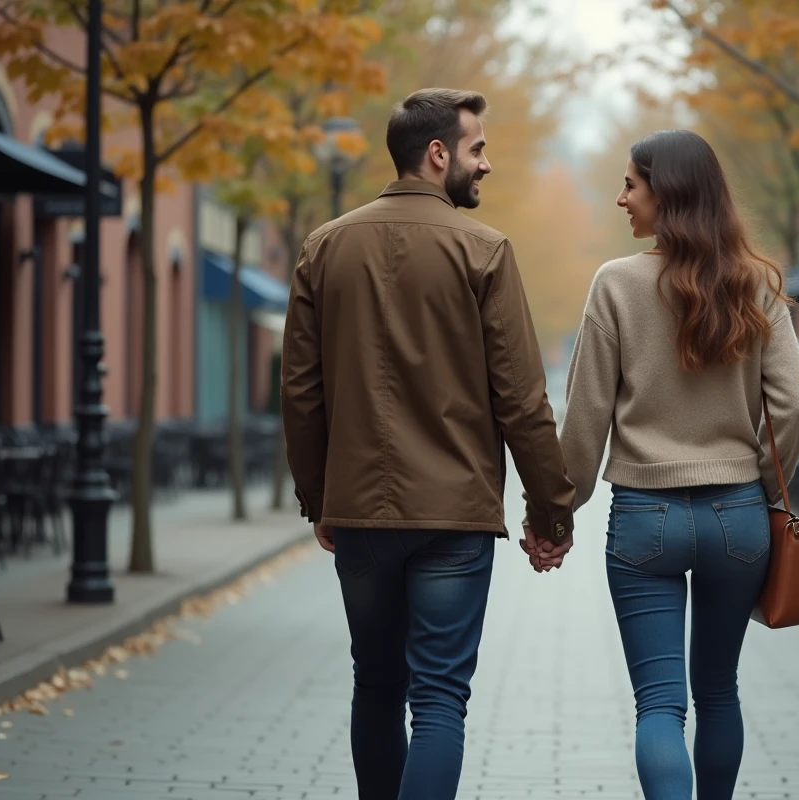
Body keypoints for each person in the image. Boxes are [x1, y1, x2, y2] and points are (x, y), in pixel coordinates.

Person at [281, 87, 576, 800]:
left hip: (358, 515)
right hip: (454, 517)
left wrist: (319, 497)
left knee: (375, 684)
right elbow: (522, 399)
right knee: (440, 697)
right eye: (477, 150)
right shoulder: (483, 250)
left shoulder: (324, 246)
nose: (487, 165)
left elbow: (300, 392)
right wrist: (552, 512)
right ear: (437, 153)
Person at [522, 129, 799, 799]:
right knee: (718, 690)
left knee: (660, 705)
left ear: (668, 193)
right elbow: (797, 407)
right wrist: (764, 489)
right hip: (738, 518)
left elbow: (586, 417)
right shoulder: (756, 284)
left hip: (643, 521)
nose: (621, 198)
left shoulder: (616, 285)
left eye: (631, 184)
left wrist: (556, 516)